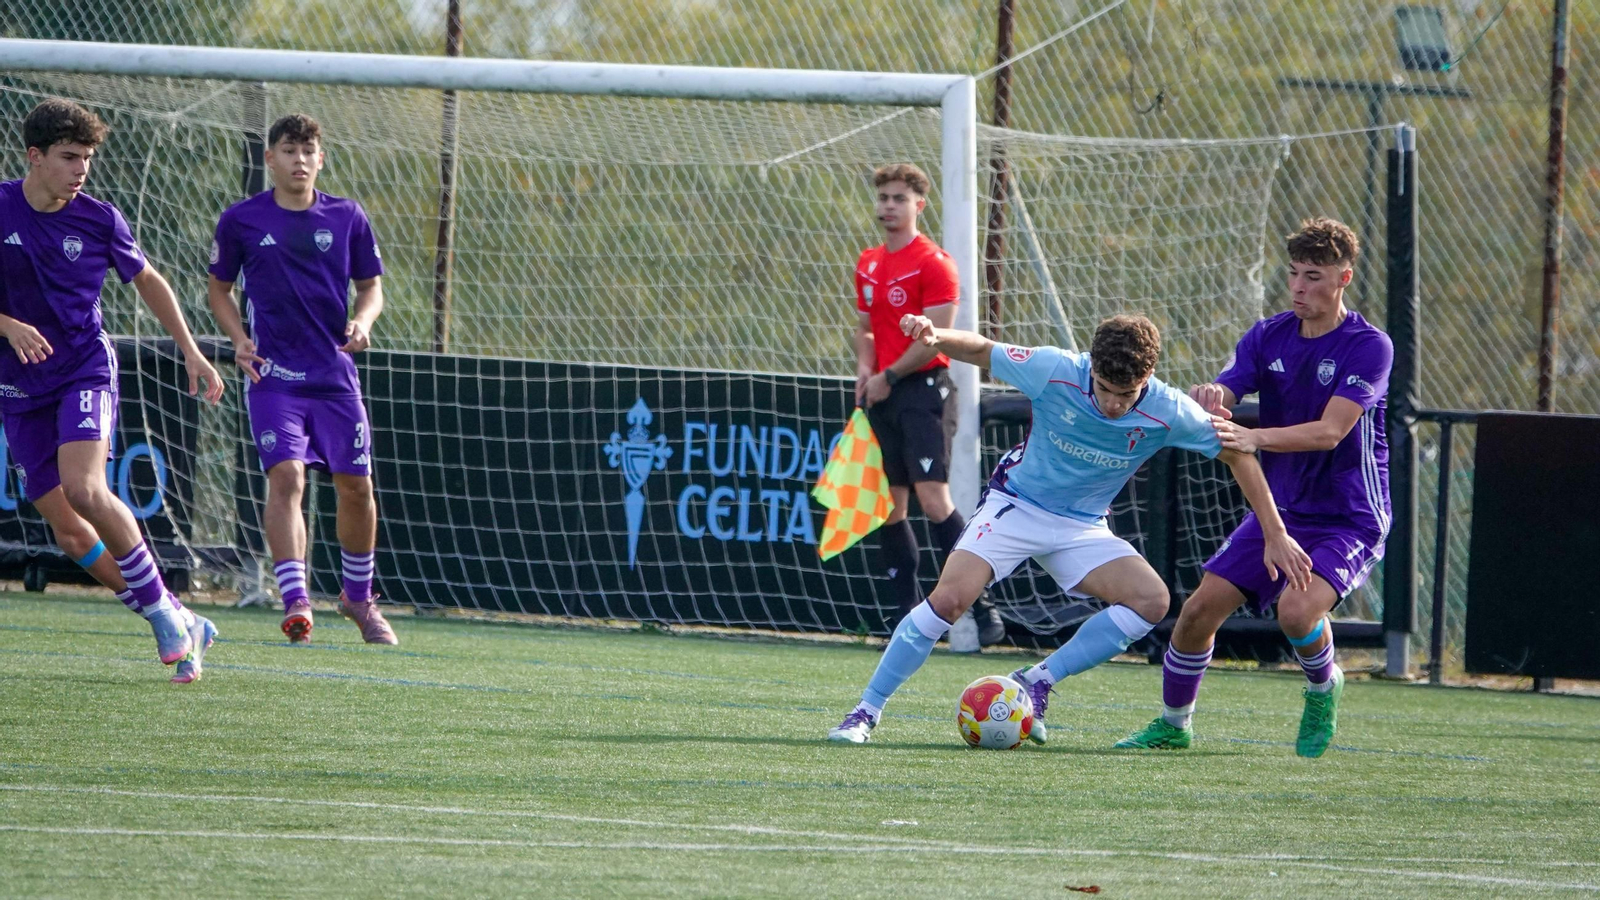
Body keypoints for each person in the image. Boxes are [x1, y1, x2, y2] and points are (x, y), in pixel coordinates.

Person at [827, 312, 1310, 743]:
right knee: (949, 601)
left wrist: (1275, 532)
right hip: (1016, 506)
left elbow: (1238, 452)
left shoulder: (1168, 409)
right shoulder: (1055, 368)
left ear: (1149, 379)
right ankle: (865, 712)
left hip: (1081, 527)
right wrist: (935, 336)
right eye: (1104, 388)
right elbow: (979, 349)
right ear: (1090, 368)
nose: (1115, 404)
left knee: (1152, 601)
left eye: (1127, 394)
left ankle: (1038, 679)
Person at [1116, 217, 1391, 758]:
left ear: (1343, 279)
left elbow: (1331, 432)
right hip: (1282, 509)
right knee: (1196, 613)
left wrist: (1252, 434)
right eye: (1293, 274)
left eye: (1313, 276)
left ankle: (1322, 683)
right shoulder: (1268, 336)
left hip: (1349, 514)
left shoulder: (1368, 347)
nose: (1298, 287)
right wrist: (1214, 393)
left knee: (1296, 612)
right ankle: (1174, 724)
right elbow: (1231, 385)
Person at [0, 98, 224, 683]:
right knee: (71, 533)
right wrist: (6, 324)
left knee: (86, 489)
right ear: (34, 157)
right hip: (17, 385)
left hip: (82, 367)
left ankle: (163, 619)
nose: (81, 170)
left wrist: (192, 350)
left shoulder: (100, 219)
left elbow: (148, 280)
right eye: (69, 157)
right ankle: (180, 615)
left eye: (88, 159)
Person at [207, 113, 396, 645]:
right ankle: (295, 601)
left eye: (308, 150)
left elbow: (372, 287)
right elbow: (218, 288)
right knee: (288, 478)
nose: (299, 160)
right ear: (270, 159)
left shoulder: (347, 216)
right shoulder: (242, 220)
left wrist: (364, 320)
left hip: (334, 376)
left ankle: (358, 600)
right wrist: (237, 337)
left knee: (356, 487)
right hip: (275, 376)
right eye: (288, 150)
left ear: (321, 157)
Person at [854, 162, 1003, 645]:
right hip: (882, 393)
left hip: (923, 390)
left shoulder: (934, 262)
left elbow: (936, 335)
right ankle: (904, 618)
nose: (889, 206)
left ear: (919, 205)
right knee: (890, 508)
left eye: (899, 198)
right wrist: (865, 371)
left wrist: (890, 375)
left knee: (933, 499)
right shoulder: (869, 262)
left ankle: (981, 607)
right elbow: (866, 329)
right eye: (883, 198)